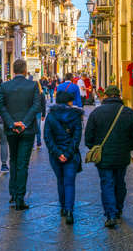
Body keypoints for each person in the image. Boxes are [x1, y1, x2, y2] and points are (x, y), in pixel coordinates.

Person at [85, 85, 133, 228]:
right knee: (120, 183)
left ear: (105, 96)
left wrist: (96, 148)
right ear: (118, 96)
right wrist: (128, 147)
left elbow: (88, 138)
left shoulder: (96, 113)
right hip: (122, 156)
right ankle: (118, 210)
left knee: (107, 183)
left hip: (103, 158)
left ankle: (110, 215)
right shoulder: (129, 113)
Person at [0, 59, 41, 210]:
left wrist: (11, 123)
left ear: (14, 71)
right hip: (27, 130)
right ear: (25, 70)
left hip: (11, 130)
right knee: (23, 164)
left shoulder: (5, 86)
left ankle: (13, 194)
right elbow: (37, 106)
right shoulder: (33, 85)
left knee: (14, 160)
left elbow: (0, 107)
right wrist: (25, 123)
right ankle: (20, 198)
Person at [44, 91, 83, 225]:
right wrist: (67, 153)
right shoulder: (76, 116)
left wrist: (58, 153)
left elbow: (48, 138)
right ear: (68, 102)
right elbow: (76, 138)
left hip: (55, 156)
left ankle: (62, 207)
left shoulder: (51, 116)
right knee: (69, 182)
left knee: (60, 181)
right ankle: (69, 211)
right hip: (71, 155)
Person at [35, 81, 46, 149]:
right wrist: (43, 115)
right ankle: (38, 143)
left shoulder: (41, 94)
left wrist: (43, 115)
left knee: (34, 128)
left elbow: (43, 105)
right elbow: (43, 105)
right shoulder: (41, 94)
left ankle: (37, 143)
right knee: (37, 128)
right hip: (38, 112)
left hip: (35, 113)